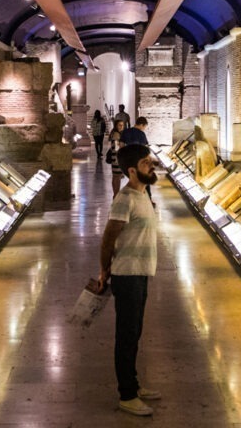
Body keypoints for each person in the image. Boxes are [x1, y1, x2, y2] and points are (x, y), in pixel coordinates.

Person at [96, 144, 161, 416]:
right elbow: (109, 237)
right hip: (127, 274)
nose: (152, 165)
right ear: (132, 171)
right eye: (146, 163)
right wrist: (104, 270)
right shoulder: (125, 199)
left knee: (134, 333)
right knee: (126, 335)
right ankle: (127, 395)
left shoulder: (143, 193)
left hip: (141, 272)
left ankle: (134, 384)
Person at [120, 117, 154, 205]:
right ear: (142, 125)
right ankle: (147, 199)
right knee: (145, 179)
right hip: (140, 160)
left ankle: (133, 199)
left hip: (129, 160)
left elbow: (121, 146)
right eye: (144, 127)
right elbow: (145, 148)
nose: (144, 129)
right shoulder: (141, 134)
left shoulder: (126, 132)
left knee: (133, 179)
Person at [108, 119, 126, 197]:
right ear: (116, 126)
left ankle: (115, 193)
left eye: (122, 125)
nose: (121, 126)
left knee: (115, 176)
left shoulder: (116, 133)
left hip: (115, 157)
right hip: (117, 158)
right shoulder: (116, 134)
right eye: (119, 125)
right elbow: (116, 147)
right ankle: (116, 194)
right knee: (117, 176)